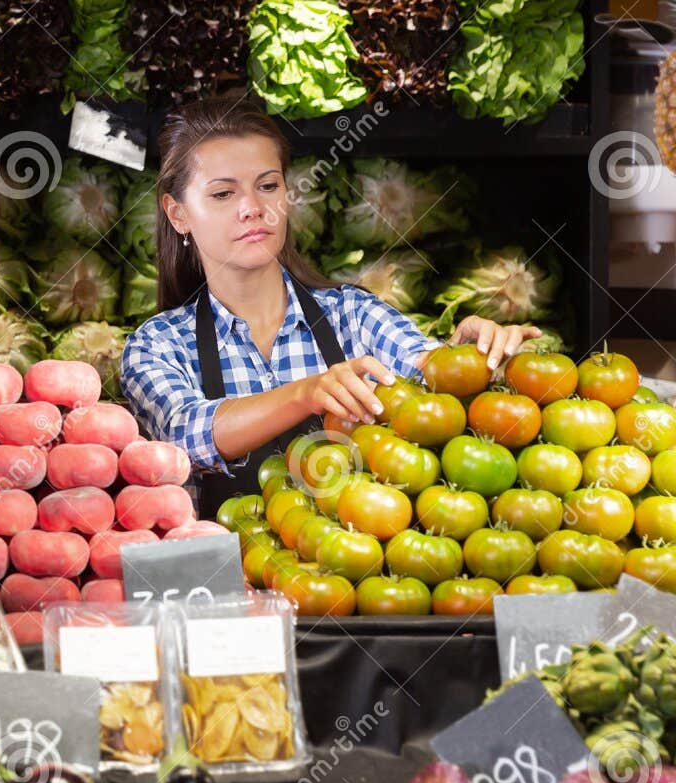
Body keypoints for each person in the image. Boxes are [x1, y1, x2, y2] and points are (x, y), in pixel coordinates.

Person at [120, 95, 539, 513]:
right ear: (178, 215)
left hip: (346, 571)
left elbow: (424, 371)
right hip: (223, 574)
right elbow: (184, 436)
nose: (253, 209)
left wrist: (470, 358)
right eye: (223, 194)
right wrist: (308, 393)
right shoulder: (156, 346)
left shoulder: (352, 315)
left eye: (268, 186)